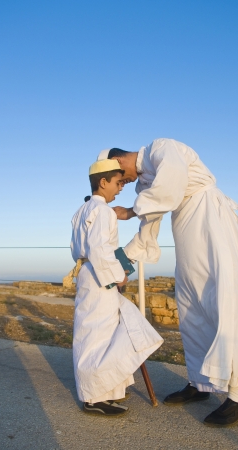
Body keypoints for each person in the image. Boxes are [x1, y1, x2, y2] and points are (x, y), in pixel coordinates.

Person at [98, 139, 238, 427]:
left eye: (119, 179)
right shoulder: (144, 186)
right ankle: (201, 383)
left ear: (118, 162)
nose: (122, 185)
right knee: (191, 306)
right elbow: (149, 223)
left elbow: (169, 188)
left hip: (210, 221)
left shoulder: (162, 149)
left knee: (223, 300)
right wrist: (123, 262)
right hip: (185, 227)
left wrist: (128, 211)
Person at [70, 158, 163, 417]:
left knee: (101, 332)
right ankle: (93, 397)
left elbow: (85, 249)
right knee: (98, 335)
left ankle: (107, 388)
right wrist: (116, 276)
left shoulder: (84, 210)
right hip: (100, 276)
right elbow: (100, 249)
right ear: (103, 182)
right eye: (117, 182)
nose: (120, 187)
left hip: (90, 274)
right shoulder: (100, 212)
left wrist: (133, 210)